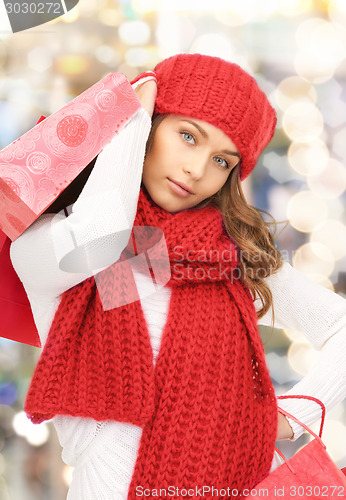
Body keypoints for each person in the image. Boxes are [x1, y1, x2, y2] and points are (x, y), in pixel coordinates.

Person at [10, 53, 346, 499]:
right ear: (150, 126)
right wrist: (129, 113)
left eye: (223, 161)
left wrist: (293, 412)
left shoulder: (227, 259)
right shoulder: (54, 252)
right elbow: (101, 233)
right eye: (188, 136)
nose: (197, 170)